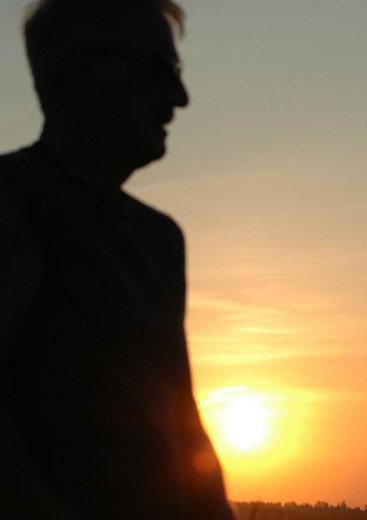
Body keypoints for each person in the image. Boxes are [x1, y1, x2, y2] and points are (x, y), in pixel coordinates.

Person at [0, 0, 234, 518]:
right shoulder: (14, 202)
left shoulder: (160, 239)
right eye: (162, 71)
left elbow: (182, 422)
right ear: (89, 71)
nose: (179, 97)